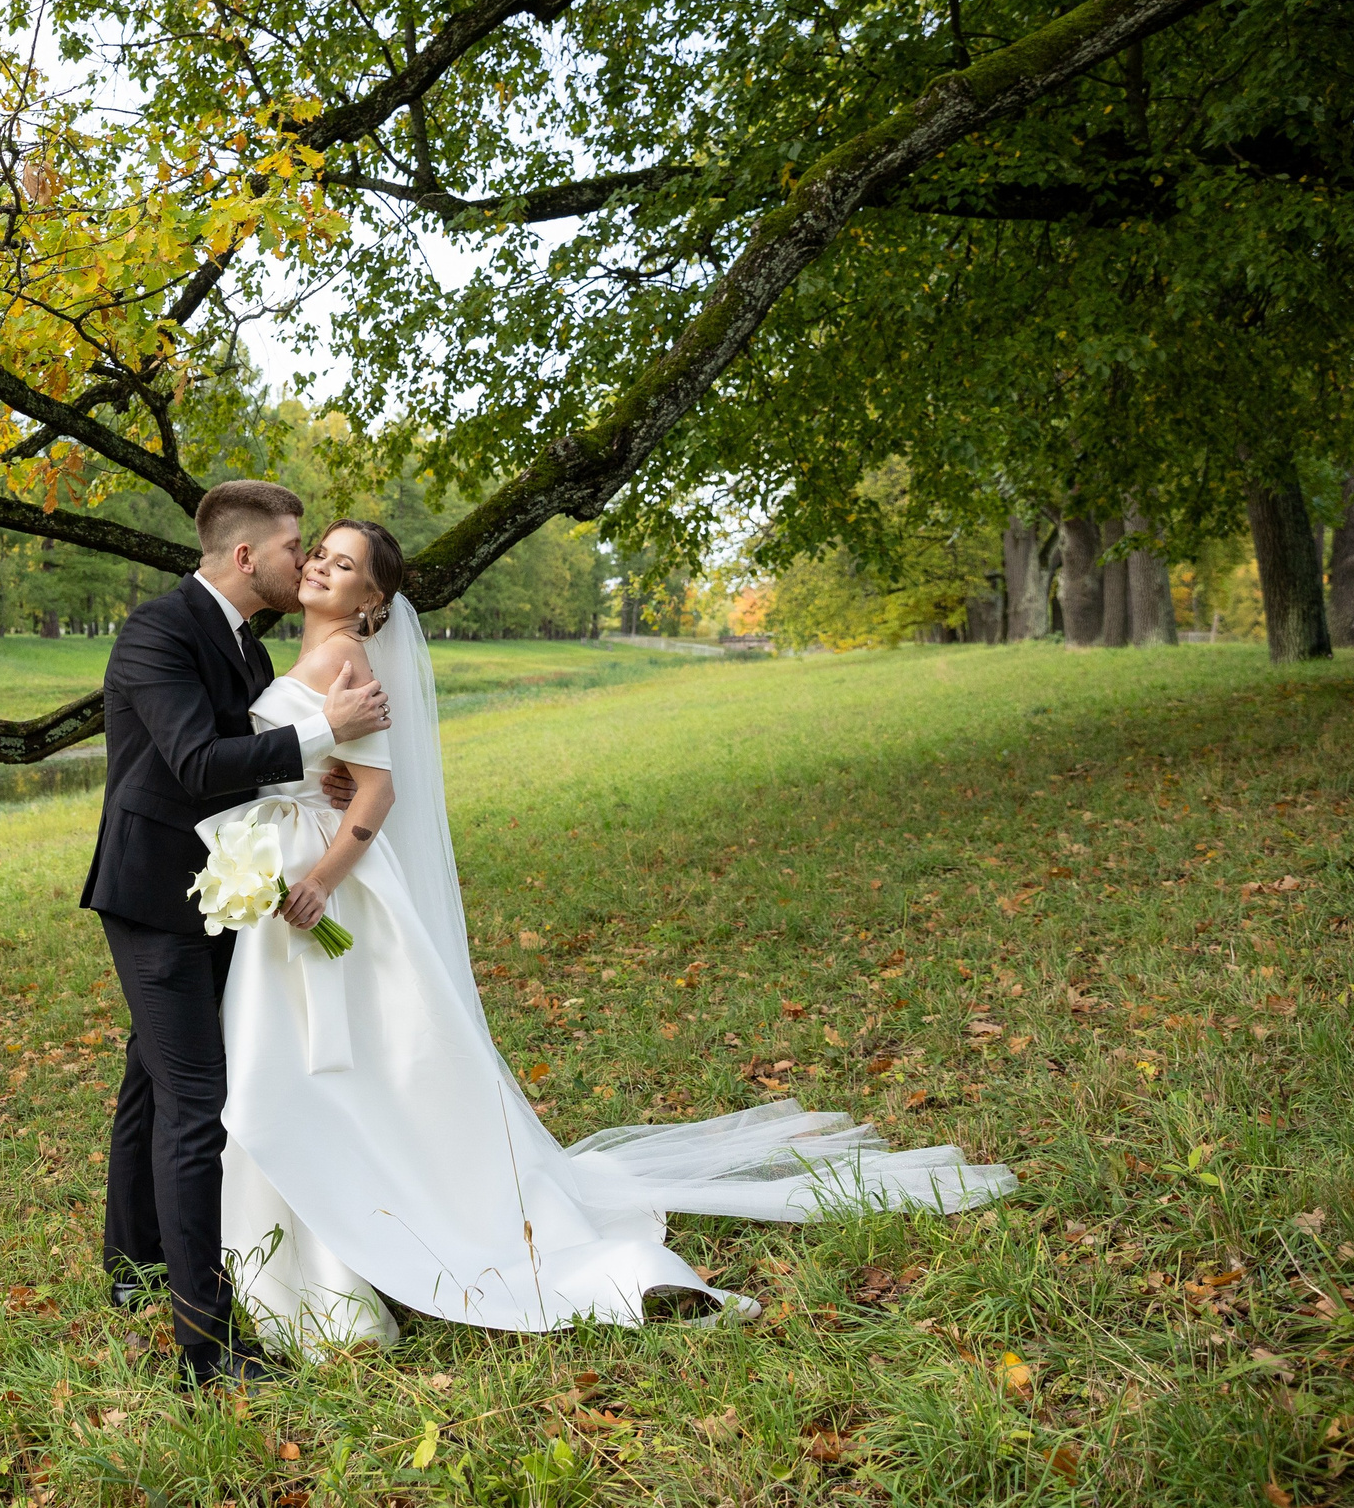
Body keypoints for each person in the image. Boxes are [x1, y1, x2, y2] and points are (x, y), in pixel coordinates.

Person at [203, 518, 1016, 1357]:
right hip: (284, 896)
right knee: (301, 1072)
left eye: (346, 565)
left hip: (326, 897)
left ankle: (341, 1272)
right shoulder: (291, 658)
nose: (324, 569)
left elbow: (375, 796)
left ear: (372, 598)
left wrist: (319, 879)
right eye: (323, 556)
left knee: (314, 1072)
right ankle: (297, 1262)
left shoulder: (348, 662)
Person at [79, 480, 391, 1390]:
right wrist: (321, 732)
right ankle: (204, 1349)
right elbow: (193, 762)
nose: (306, 561)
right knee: (195, 1106)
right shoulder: (158, 631)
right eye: (298, 545)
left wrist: (319, 780)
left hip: (221, 893)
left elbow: (245, 765)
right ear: (248, 555)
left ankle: (131, 1265)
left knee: (151, 1078)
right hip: (152, 895)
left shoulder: (243, 642)